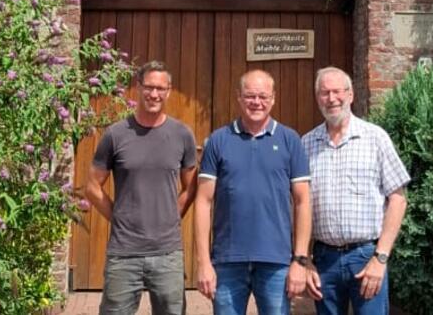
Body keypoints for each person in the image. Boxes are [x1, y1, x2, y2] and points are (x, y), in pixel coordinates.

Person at [194, 69, 313, 315]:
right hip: (227, 260)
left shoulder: (291, 140)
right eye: (250, 96)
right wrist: (203, 262)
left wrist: (300, 260)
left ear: (273, 98)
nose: (256, 102)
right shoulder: (218, 140)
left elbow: (303, 202)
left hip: (276, 261)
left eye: (263, 96)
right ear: (239, 97)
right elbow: (203, 202)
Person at [85, 60, 198, 315]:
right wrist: (119, 217)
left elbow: (190, 189)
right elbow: (92, 187)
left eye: (160, 88)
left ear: (168, 91)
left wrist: (171, 215)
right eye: (149, 87)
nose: (154, 94)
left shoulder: (182, 135)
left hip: (167, 252)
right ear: (138, 87)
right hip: (123, 252)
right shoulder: (116, 134)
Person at [301, 67, 409, 315]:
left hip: (365, 257)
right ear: (317, 98)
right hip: (324, 260)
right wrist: (304, 260)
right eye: (324, 93)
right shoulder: (305, 144)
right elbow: (298, 205)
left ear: (350, 95)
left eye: (337, 91)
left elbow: (398, 199)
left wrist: (380, 258)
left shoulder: (375, 138)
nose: (331, 98)